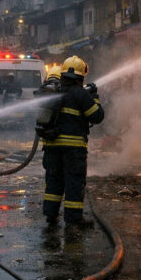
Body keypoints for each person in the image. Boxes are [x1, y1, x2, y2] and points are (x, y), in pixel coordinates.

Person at [41, 55, 104, 226]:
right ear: (81, 76)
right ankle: (74, 219)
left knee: (54, 180)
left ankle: (50, 215)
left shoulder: (54, 91)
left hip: (51, 146)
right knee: (74, 182)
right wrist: (94, 96)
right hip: (73, 149)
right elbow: (97, 116)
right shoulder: (80, 94)